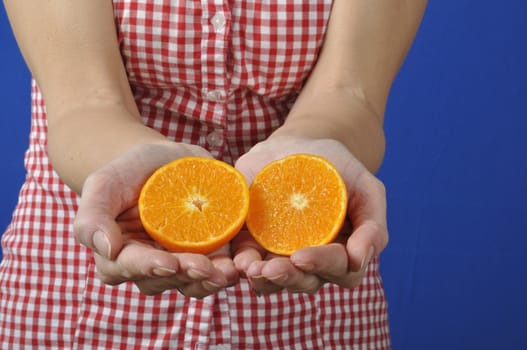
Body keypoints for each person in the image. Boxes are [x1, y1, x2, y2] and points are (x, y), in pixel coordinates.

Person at [0, 0, 426, 348]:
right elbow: (85, 101)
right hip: (74, 291)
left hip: (313, 291)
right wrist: (137, 173)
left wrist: (311, 154)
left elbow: (351, 93)